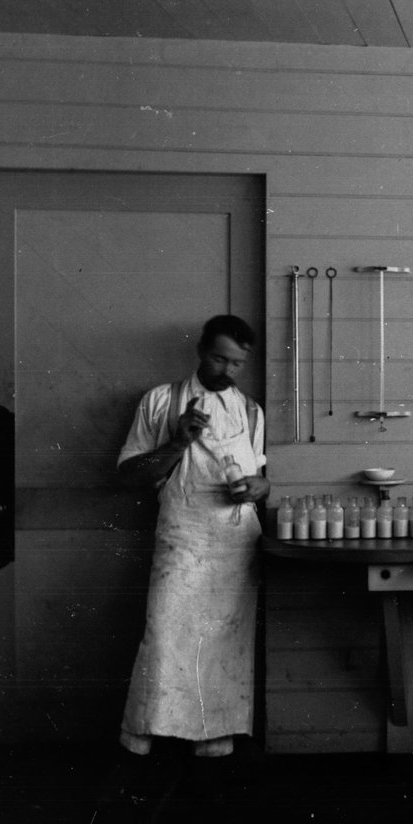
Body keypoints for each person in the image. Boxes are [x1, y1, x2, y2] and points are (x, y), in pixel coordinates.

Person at [115, 314, 269, 761]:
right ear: (201, 351)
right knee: (164, 634)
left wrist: (262, 487)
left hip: (234, 541)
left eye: (238, 363)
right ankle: (141, 741)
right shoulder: (162, 402)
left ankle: (214, 746)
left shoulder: (251, 411)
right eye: (221, 358)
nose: (229, 370)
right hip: (183, 536)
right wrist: (177, 443)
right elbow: (129, 475)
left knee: (226, 642)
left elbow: (259, 477)